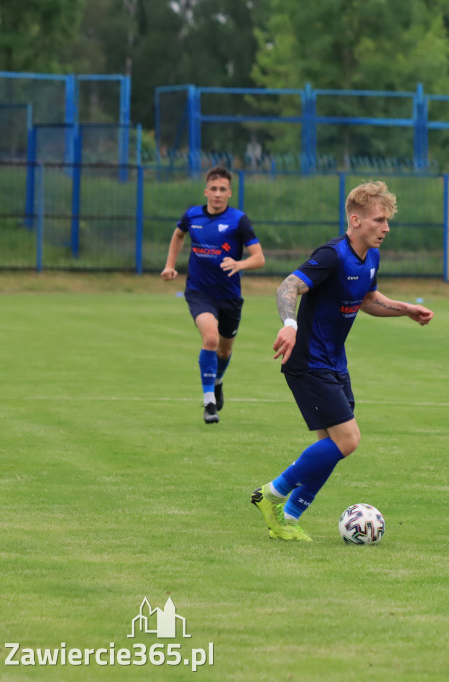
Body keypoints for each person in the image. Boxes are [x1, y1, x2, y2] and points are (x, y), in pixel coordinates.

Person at [251, 180, 434, 542]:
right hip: (308, 361)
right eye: (379, 220)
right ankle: (270, 494)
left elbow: (367, 299)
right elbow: (287, 287)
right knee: (348, 440)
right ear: (355, 220)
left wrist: (405, 309)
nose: (386, 228)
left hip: (335, 362)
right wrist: (290, 324)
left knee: (329, 448)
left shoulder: (371, 257)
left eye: (387, 220)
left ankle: (288, 518)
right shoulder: (332, 255)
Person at [161, 166, 265, 424]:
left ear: (229, 193)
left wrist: (240, 264)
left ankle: (217, 381)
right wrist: (169, 265)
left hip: (229, 295)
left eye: (223, 190)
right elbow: (178, 235)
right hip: (199, 292)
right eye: (214, 189)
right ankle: (209, 402)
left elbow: (259, 258)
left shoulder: (239, 220)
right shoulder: (192, 216)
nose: (217, 194)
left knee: (225, 351)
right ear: (206, 191)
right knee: (210, 339)